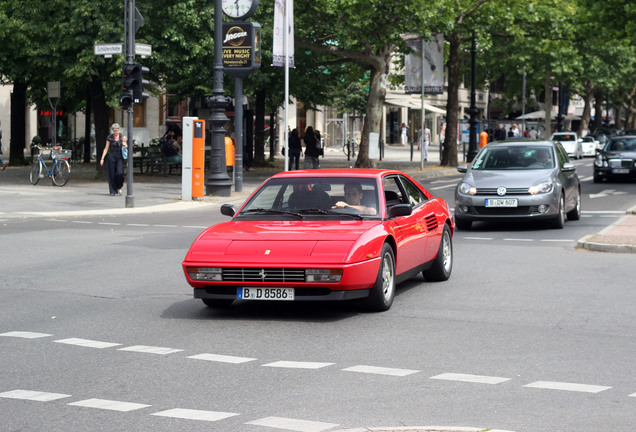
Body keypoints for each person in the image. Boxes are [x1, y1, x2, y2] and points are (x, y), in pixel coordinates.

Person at [100, 123, 127, 196]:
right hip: (111, 156)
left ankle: (119, 186)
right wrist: (102, 158)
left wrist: (125, 145)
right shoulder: (110, 137)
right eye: (114, 131)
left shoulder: (123, 137)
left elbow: (126, 146)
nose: (115, 132)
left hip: (119, 156)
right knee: (111, 174)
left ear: (119, 130)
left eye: (117, 130)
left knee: (120, 173)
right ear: (112, 130)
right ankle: (113, 191)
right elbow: (106, 149)